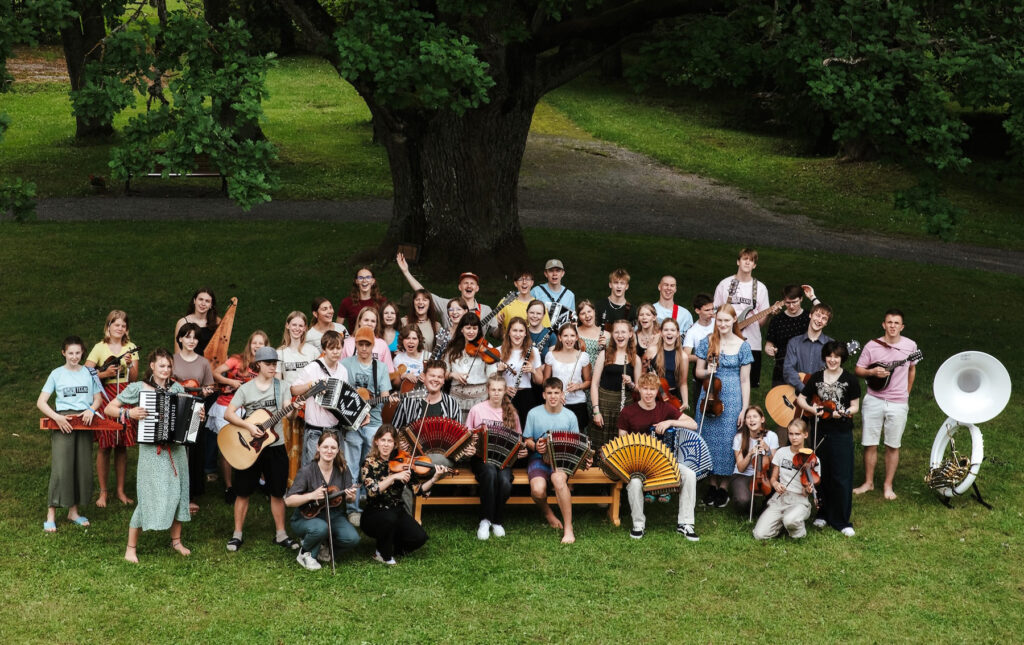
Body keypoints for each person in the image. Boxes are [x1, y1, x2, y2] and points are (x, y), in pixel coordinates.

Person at [104, 349, 197, 563]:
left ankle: (176, 541)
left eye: (169, 366)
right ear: (152, 366)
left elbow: (187, 420)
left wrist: (196, 416)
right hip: (151, 451)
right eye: (162, 365)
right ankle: (130, 548)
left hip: (176, 451)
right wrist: (129, 413)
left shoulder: (177, 388)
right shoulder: (139, 388)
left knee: (178, 493)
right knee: (148, 496)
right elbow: (109, 408)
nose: (166, 369)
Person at [222, 346, 299, 553]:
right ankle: (237, 534)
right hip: (249, 447)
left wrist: (294, 410)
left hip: (275, 446)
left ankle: (281, 534)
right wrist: (248, 426)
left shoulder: (282, 386)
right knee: (243, 491)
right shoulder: (246, 389)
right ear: (258, 365)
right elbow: (228, 414)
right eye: (269, 364)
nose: (273, 367)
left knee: (277, 492)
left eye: (275, 364)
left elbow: (289, 415)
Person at [616, 373, 701, 541]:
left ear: (657, 391)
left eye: (652, 389)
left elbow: (693, 424)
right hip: (639, 465)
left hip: (664, 462)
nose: (648, 393)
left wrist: (670, 422)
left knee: (689, 475)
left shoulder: (665, 408)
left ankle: (685, 523)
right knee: (634, 483)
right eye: (645, 389)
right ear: (639, 389)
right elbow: (621, 441)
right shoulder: (628, 412)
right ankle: (638, 524)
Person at [37, 336, 102, 532]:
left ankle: (73, 512)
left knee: (80, 467)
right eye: (70, 353)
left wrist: (91, 410)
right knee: (61, 467)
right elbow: (41, 402)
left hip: (85, 422)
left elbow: (98, 399)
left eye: (78, 353)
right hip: (63, 422)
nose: (74, 357)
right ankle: (51, 514)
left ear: (83, 353)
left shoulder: (90, 373)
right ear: (63, 353)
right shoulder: (56, 374)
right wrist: (57, 417)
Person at [853, 309, 919, 500]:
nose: (892, 326)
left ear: (902, 326)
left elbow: (912, 369)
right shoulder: (872, 346)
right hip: (874, 399)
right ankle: (868, 483)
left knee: (893, 444)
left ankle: (888, 485)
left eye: (896, 323)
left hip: (898, 402)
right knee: (870, 443)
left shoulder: (910, 345)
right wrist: (872, 373)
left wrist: (906, 393)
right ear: (883, 324)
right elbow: (858, 370)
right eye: (889, 322)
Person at [360, 424, 449, 564]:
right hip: (374, 512)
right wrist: (393, 477)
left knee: (419, 537)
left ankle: (390, 546)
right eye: (383, 440)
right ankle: (382, 554)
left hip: (397, 510)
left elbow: (418, 490)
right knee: (388, 519)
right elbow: (372, 491)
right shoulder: (368, 463)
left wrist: (434, 479)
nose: (386, 445)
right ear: (376, 441)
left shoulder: (403, 462)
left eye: (390, 441)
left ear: (395, 444)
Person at [798, 341, 861, 536]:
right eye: (829, 356)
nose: (833, 360)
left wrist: (843, 413)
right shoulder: (816, 377)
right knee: (821, 472)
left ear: (842, 358)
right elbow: (801, 399)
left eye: (837, 356)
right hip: (820, 431)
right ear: (825, 357)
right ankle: (822, 513)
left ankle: (841, 520)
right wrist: (812, 409)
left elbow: (855, 406)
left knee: (841, 475)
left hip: (841, 432)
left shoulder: (850, 379)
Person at [694, 304, 752, 508]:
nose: (723, 324)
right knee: (708, 438)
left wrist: (744, 409)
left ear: (734, 320)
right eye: (719, 320)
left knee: (729, 440)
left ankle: (724, 487)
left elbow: (745, 380)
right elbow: (697, 372)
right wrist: (708, 371)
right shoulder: (708, 341)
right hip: (710, 395)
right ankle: (711, 483)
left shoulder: (743, 345)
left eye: (727, 320)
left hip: (733, 396)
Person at [85, 310, 140, 508]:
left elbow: (133, 379)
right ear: (108, 326)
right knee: (105, 445)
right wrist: (104, 373)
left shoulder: (131, 347)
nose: (120, 328)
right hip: (106, 395)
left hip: (124, 395)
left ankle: (120, 491)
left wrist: (130, 365)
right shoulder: (99, 347)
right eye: (116, 324)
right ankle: (103, 492)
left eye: (123, 325)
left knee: (122, 445)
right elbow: (85, 373)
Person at [341, 326, 396, 526]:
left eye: (367, 344)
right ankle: (353, 508)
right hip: (352, 423)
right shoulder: (345, 365)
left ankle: (372, 503)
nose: (364, 348)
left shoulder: (380, 367)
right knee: (352, 465)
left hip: (373, 422)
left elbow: (384, 395)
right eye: (360, 344)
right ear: (355, 344)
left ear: (373, 346)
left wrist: (388, 399)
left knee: (372, 464)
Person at [524, 378, 589, 544]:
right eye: (549, 393)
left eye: (556, 393)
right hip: (538, 458)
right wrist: (535, 446)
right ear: (543, 395)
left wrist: (584, 459)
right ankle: (548, 513)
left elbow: (577, 444)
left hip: (561, 460)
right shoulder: (533, 413)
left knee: (558, 479)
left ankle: (568, 528)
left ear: (562, 395)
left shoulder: (570, 416)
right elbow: (527, 439)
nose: (553, 396)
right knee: (538, 490)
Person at [284, 431, 360, 571]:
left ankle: (323, 549)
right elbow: (289, 501)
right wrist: (311, 495)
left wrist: (351, 496)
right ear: (318, 447)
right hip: (306, 516)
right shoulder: (307, 471)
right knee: (321, 528)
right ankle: (305, 553)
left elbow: (350, 499)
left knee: (352, 538)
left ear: (338, 450)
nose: (329, 451)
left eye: (333, 448)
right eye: (325, 447)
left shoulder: (343, 469)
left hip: (334, 514)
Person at [465, 375, 526, 540]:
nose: (496, 393)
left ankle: (497, 521)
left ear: (505, 390)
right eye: (493, 389)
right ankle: (485, 520)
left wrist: (522, 450)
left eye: (500, 390)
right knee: (490, 473)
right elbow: (467, 436)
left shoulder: (512, 413)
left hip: (503, 459)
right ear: (488, 390)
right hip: (481, 458)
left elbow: (519, 440)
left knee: (505, 481)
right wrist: (470, 446)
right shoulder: (477, 410)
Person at [209, 330, 267, 502]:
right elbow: (215, 372)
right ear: (249, 344)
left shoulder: (265, 365)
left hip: (249, 410)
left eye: (261, 343)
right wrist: (231, 382)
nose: (257, 346)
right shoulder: (237, 360)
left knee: (250, 445)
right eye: (254, 342)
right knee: (227, 447)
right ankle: (229, 487)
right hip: (226, 406)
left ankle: (253, 480)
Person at [396, 252, 497, 335]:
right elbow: (424, 293)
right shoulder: (446, 304)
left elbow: (496, 334)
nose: (469, 286)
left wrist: (501, 326)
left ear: (477, 288)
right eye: (465, 283)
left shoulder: (486, 310)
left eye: (472, 283)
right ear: (460, 287)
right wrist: (406, 272)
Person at [172, 323, 216, 514]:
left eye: (195, 337)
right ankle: (173, 491)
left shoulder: (203, 362)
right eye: (188, 336)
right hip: (176, 407)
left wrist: (205, 392)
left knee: (194, 451)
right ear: (180, 338)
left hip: (196, 408)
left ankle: (190, 494)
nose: (192, 341)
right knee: (175, 449)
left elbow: (209, 386)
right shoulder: (172, 360)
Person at [752, 418, 820, 540]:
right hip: (781, 498)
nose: (794, 438)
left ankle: (798, 531)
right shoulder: (781, 452)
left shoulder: (812, 460)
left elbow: (805, 492)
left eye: (797, 434)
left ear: (805, 435)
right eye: (791, 434)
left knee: (790, 520)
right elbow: (773, 478)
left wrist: (807, 490)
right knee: (759, 534)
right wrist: (775, 484)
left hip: (799, 500)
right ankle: (782, 524)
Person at [391, 359, 463, 469]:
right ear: (424, 377)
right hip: (411, 455)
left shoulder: (452, 404)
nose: (436, 380)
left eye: (440, 377)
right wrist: (399, 442)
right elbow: (394, 429)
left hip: (441, 458)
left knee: (436, 459)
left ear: (444, 380)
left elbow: (459, 438)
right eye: (432, 376)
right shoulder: (408, 401)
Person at [714, 248, 770, 388]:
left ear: (754, 265)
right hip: (725, 342)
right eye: (745, 259)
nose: (747, 262)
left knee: (747, 385)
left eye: (751, 260)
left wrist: (768, 314)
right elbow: (715, 312)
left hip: (751, 343)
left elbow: (761, 323)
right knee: (722, 383)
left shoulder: (760, 288)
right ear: (738, 262)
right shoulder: (725, 284)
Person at [291, 330, 347, 467]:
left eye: (338, 348)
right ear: (324, 349)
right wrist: (312, 385)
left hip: (335, 429)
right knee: (313, 469)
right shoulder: (313, 367)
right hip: (315, 430)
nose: (335, 352)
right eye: (331, 348)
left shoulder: (343, 370)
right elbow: (293, 389)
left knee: (335, 469)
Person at [276, 312, 319, 484]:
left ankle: (307, 484)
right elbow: (278, 383)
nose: (297, 328)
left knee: (307, 446)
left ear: (305, 328)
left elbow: (318, 378)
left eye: (301, 325)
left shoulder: (312, 352)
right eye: (294, 324)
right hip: (288, 404)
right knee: (288, 447)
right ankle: (287, 484)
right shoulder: (280, 353)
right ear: (287, 326)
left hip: (310, 404)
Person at [589, 319, 642, 452]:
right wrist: (596, 411)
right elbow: (594, 384)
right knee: (600, 447)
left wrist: (630, 383)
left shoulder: (635, 358)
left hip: (625, 407)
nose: (620, 335)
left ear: (630, 334)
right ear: (612, 335)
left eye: (623, 332)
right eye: (616, 332)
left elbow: (638, 389)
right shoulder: (604, 354)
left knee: (621, 448)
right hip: (604, 405)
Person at [444, 313, 498, 420]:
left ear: (478, 330)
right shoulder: (451, 348)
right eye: (468, 328)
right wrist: (452, 374)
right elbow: (442, 372)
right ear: (461, 329)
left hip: (480, 399)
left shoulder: (485, 347)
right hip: (456, 399)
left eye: (474, 328)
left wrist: (496, 370)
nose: (471, 331)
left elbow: (492, 375)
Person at [765, 284, 820, 386]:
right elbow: (769, 345)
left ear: (801, 299)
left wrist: (812, 297)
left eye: (794, 302)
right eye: (787, 302)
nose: (791, 306)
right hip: (782, 368)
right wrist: (769, 349)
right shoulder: (777, 319)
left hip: (805, 366)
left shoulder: (809, 317)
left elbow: (824, 314)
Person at [543, 323, 592, 432]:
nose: (569, 339)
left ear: (577, 337)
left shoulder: (583, 356)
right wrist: (556, 394)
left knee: (575, 438)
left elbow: (589, 381)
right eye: (565, 336)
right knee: (557, 437)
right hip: (556, 403)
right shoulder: (551, 356)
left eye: (572, 335)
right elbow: (545, 382)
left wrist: (578, 386)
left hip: (578, 403)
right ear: (560, 337)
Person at [730, 406, 778, 514]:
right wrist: (750, 453)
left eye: (755, 416)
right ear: (745, 421)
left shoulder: (771, 436)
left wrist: (767, 450)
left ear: (762, 419)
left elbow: (775, 464)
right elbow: (741, 468)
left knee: (777, 487)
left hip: (764, 474)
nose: (751, 420)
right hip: (743, 475)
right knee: (742, 501)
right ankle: (753, 506)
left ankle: (767, 504)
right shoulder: (739, 438)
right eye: (748, 417)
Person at [496, 317, 543, 425]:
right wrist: (502, 383)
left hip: (526, 396)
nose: (518, 334)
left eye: (521, 331)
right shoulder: (499, 350)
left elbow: (540, 381)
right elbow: (491, 380)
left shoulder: (533, 351)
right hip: (505, 395)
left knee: (524, 428)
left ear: (526, 333)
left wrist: (532, 370)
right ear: (509, 332)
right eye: (514, 330)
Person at [782, 303, 833, 390]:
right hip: (795, 392)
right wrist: (803, 389)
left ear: (826, 323)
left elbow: (834, 374)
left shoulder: (831, 345)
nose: (819, 320)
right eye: (817, 315)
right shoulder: (794, 342)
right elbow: (788, 370)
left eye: (824, 318)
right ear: (810, 315)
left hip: (819, 394)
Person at [647, 317, 689, 411]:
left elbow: (683, 383)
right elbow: (642, 374)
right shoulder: (652, 351)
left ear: (677, 334)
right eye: (666, 330)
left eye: (672, 330)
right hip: (653, 396)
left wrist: (685, 402)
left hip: (673, 396)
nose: (669, 333)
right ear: (661, 333)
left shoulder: (683, 356)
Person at [342, 306, 397, 372]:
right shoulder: (346, 343)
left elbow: (389, 372)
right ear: (359, 321)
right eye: (366, 320)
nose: (369, 324)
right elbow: (339, 369)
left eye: (373, 321)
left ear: (376, 324)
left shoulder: (382, 345)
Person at [173, 288, 220, 355]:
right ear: (194, 301)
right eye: (200, 299)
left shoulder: (217, 321)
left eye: (207, 301)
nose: (203, 303)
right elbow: (178, 352)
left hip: (210, 361)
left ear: (211, 305)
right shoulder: (183, 322)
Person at [337, 266, 385, 331]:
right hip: (354, 337)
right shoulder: (347, 302)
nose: (364, 280)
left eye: (368, 277)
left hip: (376, 337)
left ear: (373, 281)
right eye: (360, 278)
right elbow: (338, 327)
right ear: (356, 281)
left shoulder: (382, 301)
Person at [401, 288, 441, 355]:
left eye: (424, 300)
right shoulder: (404, 322)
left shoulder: (436, 326)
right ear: (413, 303)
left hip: (428, 361)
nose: (420, 302)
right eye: (417, 299)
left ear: (429, 304)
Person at [393, 325, 427, 391]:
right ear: (402, 340)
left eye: (414, 338)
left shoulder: (428, 356)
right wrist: (404, 376)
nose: (411, 341)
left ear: (419, 340)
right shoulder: (398, 359)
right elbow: (395, 382)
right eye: (407, 338)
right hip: (406, 393)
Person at [575, 300, 605, 370]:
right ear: (578, 316)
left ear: (594, 311)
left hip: (601, 372)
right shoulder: (574, 333)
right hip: (580, 372)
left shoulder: (606, 334)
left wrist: (605, 349)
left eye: (589, 311)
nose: (587, 316)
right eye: (583, 313)